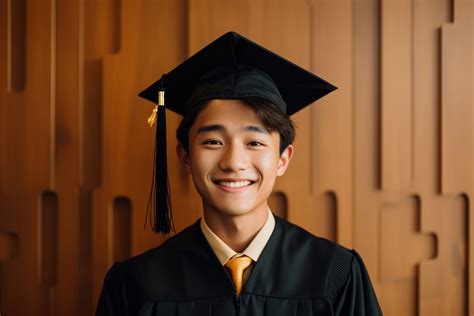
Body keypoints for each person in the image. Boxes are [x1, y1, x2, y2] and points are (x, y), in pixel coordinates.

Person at [96, 31, 382, 315]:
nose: (233, 162)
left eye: (254, 142)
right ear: (185, 157)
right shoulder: (136, 285)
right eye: (213, 142)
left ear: (283, 158)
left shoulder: (336, 275)